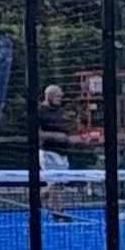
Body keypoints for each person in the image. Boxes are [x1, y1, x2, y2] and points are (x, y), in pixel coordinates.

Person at [36, 85, 76, 220]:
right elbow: (38, 133)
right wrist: (55, 136)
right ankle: (58, 212)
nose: (60, 99)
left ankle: (39, 197)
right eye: (58, 96)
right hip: (48, 152)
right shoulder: (39, 112)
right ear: (49, 96)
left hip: (62, 152)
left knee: (59, 183)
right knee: (56, 183)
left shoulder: (60, 111)